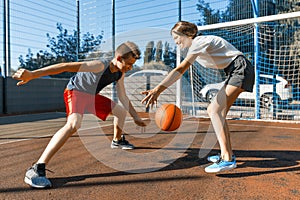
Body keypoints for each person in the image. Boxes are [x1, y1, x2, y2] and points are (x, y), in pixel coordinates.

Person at [12, 41, 146, 188]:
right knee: (74, 124)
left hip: (91, 96)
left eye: (132, 65)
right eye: (129, 64)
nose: (130, 68)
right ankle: (37, 168)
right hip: (75, 91)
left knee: (120, 112)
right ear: (119, 58)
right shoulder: (99, 65)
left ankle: (117, 140)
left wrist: (135, 116)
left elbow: (123, 97)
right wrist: (33, 74)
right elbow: (66, 66)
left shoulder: (120, 73)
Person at [141, 21, 254, 173]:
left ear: (187, 35)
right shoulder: (198, 45)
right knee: (217, 112)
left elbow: (180, 69)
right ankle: (226, 154)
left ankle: (227, 159)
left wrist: (158, 89)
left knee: (214, 110)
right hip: (236, 70)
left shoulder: (198, 42)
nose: (175, 42)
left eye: (176, 38)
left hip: (240, 69)